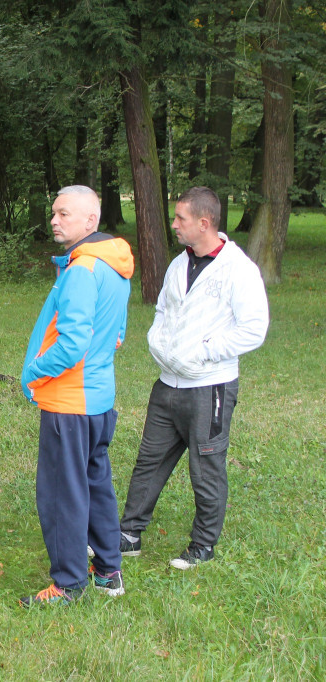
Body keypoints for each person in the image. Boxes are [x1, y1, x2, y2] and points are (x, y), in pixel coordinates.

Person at [119, 187, 269, 569]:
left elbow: (254, 329)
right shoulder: (177, 265)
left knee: (206, 468)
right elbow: (162, 310)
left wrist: (204, 349)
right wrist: (158, 340)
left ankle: (202, 546)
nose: (174, 225)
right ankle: (129, 534)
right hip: (168, 384)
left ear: (205, 223)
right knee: (149, 461)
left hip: (210, 388)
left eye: (180, 219)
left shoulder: (239, 270)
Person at [19, 185, 134, 606]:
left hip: (70, 403)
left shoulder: (84, 269)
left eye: (63, 213)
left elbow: (71, 345)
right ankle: (108, 572)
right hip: (98, 400)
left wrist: (33, 373)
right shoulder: (115, 264)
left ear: (90, 220)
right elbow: (118, 335)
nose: (54, 220)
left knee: (61, 496)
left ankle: (68, 585)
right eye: (53, 212)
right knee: (96, 486)